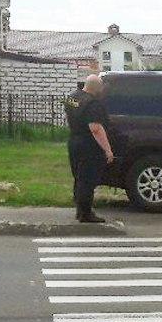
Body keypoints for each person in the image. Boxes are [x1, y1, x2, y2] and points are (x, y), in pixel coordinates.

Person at [64, 74, 114, 223]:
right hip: (88, 145)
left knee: (78, 177)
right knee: (87, 180)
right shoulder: (93, 104)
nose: (102, 91)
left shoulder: (72, 97)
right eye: (100, 88)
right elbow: (96, 129)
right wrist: (107, 150)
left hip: (74, 141)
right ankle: (86, 214)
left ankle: (80, 210)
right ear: (95, 88)